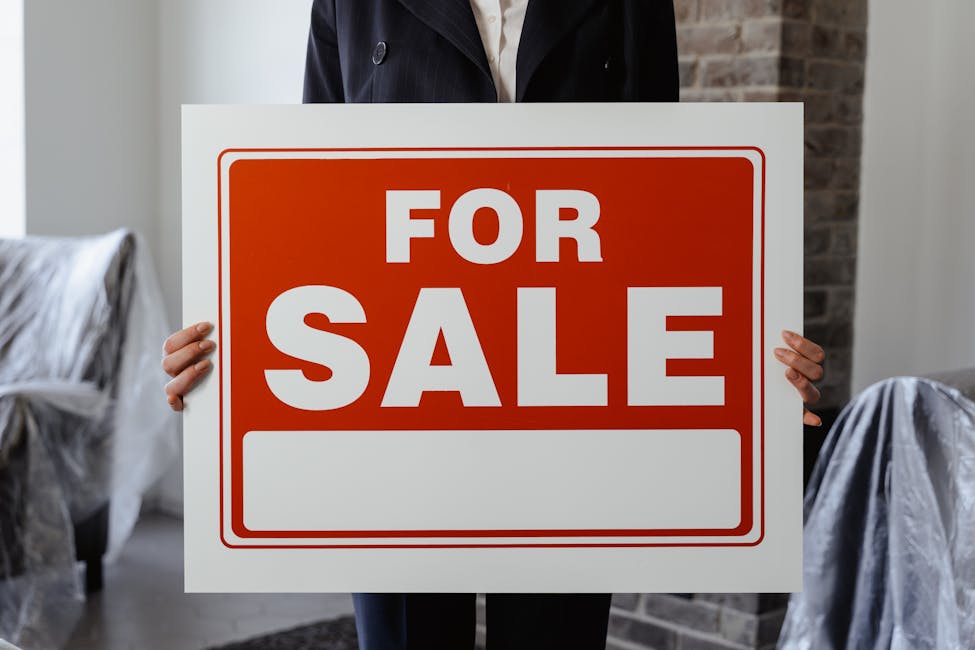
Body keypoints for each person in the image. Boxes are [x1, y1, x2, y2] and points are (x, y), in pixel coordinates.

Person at [162, 1, 826, 649]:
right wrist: (232, 352)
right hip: (399, 402)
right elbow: (315, 204)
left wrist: (746, 362)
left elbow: (658, 203)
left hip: (566, 395)